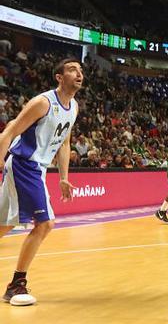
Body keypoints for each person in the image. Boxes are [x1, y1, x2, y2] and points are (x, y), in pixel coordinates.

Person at [0, 58, 82, 305]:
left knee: (4, 224)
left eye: (81, 70)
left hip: (39, 168)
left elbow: (65, 143)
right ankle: (16, 285)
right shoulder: (42, 102)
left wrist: (64, 177)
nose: (78, 73)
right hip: (25, 164)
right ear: (59, 77)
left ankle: (15, 285)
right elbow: (10, 131)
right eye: (72, 69)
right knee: (45, 224)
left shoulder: (74, 106)